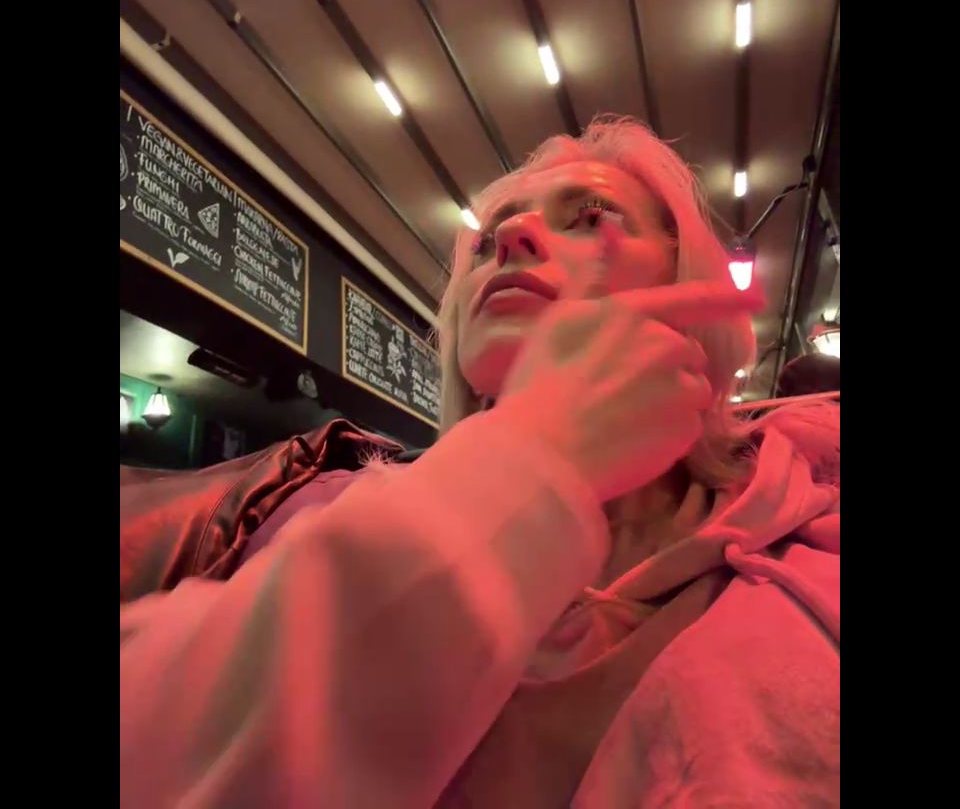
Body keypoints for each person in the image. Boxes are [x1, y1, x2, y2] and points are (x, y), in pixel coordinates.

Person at [120, 116, 840, 807]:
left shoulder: (810, 544)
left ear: (689, 283)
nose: (510, 239)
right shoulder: (281, 500)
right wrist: (538, 453)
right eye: (488, 239)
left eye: (591, 217)